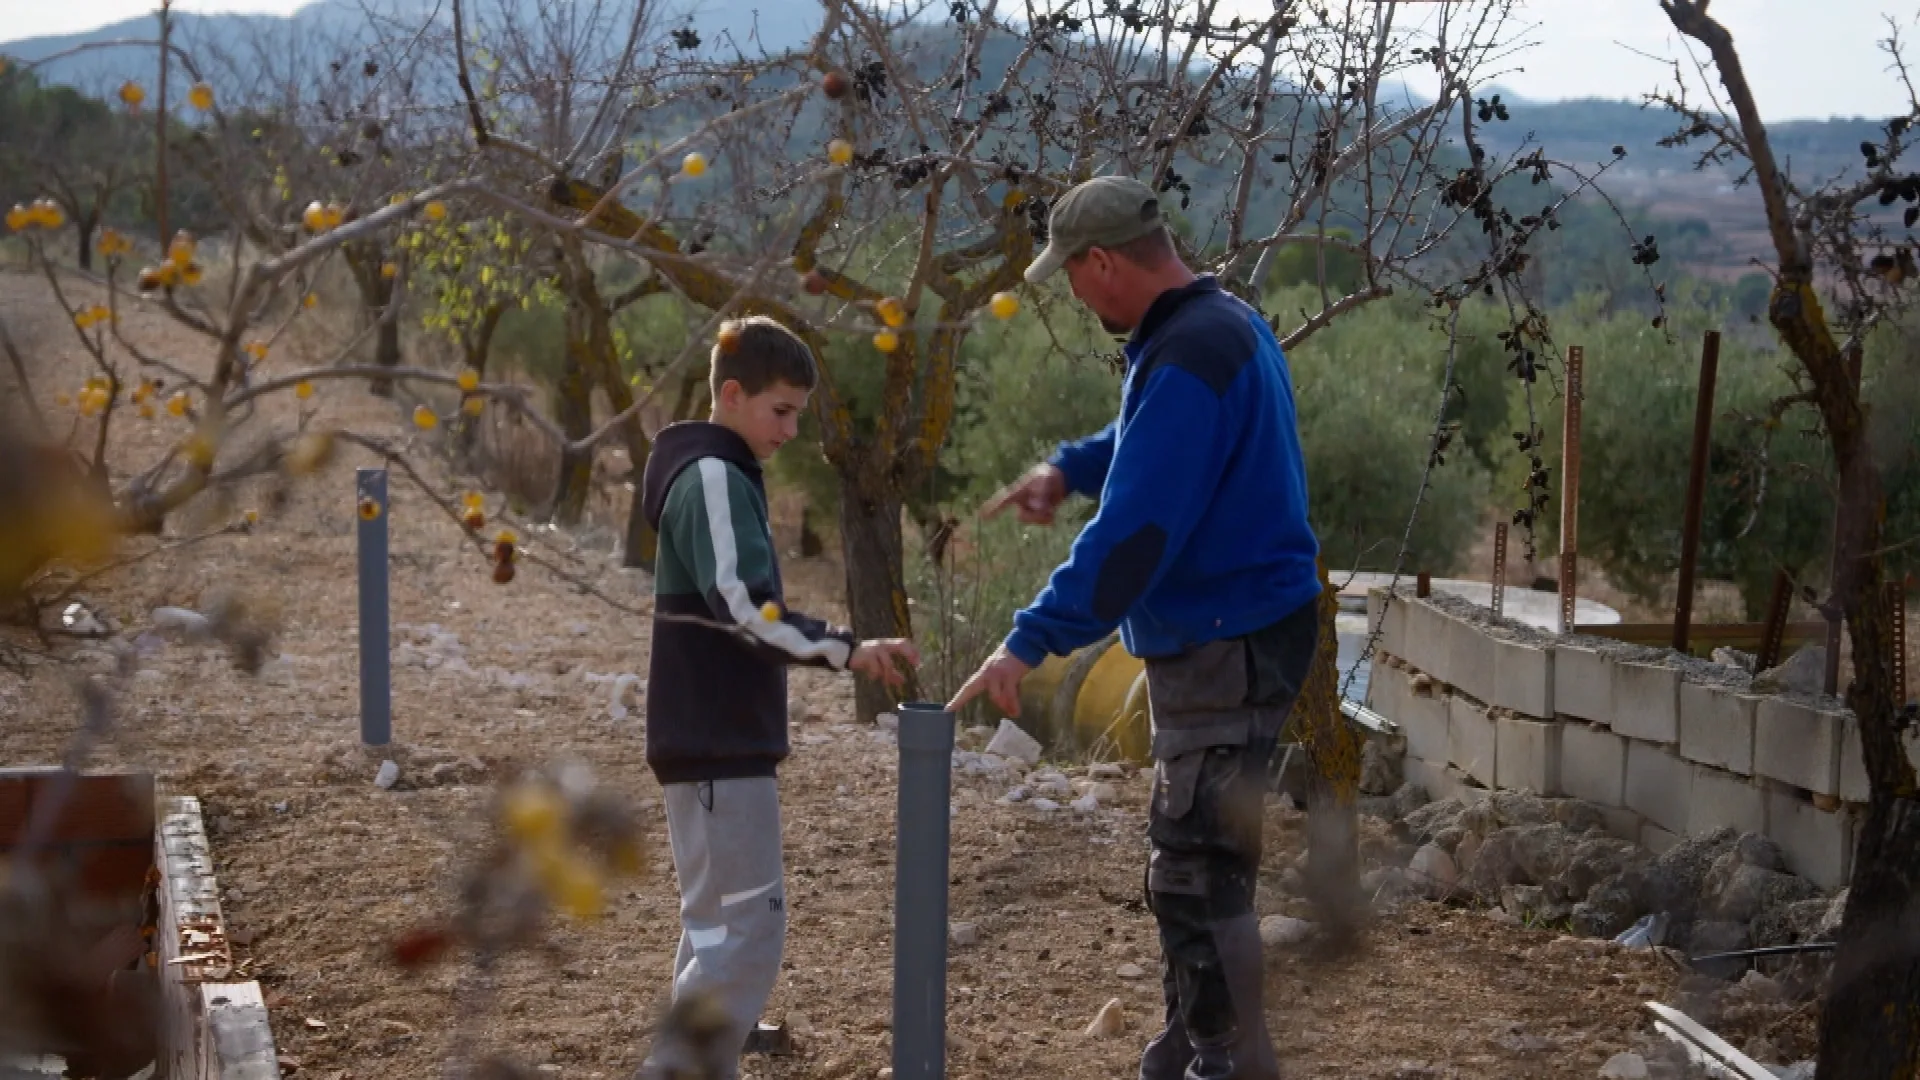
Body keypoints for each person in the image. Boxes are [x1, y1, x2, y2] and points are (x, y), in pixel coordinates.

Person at [948, 175, 1323, 1080]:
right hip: (1241, 628)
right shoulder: (1215, 325)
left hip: (1228, 638)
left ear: (1104, 262)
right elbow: (1148, 441)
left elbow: (1136, 536)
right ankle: (1194, 1037)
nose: (1074, 296)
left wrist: (1030, 639)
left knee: (1197, 865)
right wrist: (1068, 468)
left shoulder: (1192, 349)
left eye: (1072, 276)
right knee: (1190, 850)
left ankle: (1229, 1060)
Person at [637, 316, 920, 1078]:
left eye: (799, 413)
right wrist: (847, 649)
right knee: (747, 938)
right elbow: (744, 611)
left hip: (707, 749)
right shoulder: (714, 478)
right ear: (732, 394)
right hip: (718, 748)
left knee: (715, 938)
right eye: (782, 411)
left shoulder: (712, 473)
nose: (793, 430)